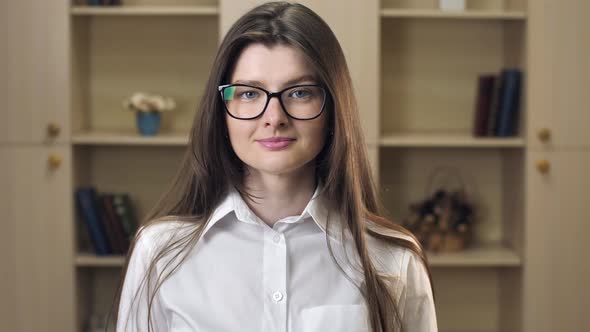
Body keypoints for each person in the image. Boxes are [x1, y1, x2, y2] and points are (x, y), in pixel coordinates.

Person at [111, 1, 437, 331]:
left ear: (332, 107)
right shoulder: (160, 252)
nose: (274, 118)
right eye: (250, 94)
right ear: (222, 109)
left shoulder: (394, 259)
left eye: (299, 92)